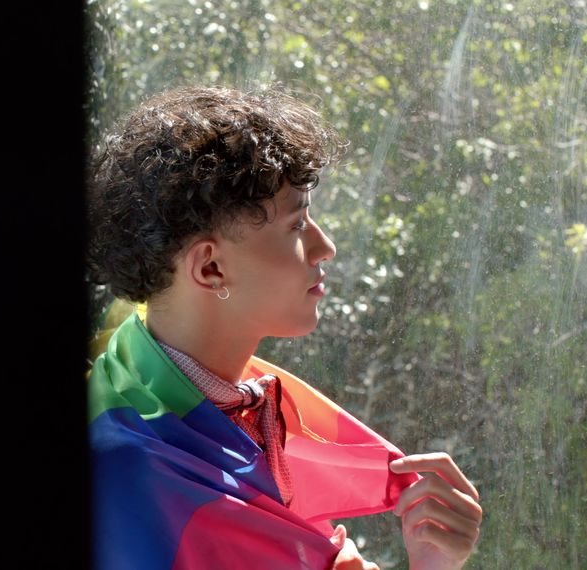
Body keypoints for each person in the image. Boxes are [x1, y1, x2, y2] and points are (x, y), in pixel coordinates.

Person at [84, 84, 483, 569]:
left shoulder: (146, 378)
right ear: (210, 269)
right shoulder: (136, 483)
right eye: (297, 226)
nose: (325, 247)